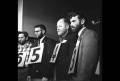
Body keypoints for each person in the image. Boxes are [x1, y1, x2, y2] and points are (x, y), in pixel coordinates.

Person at [67, 11, 99, 81]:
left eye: (74, 21)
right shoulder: (79, 36)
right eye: (70, 22)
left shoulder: (89, 34)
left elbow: (87, 66)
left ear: (82, 21)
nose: (71, 24)